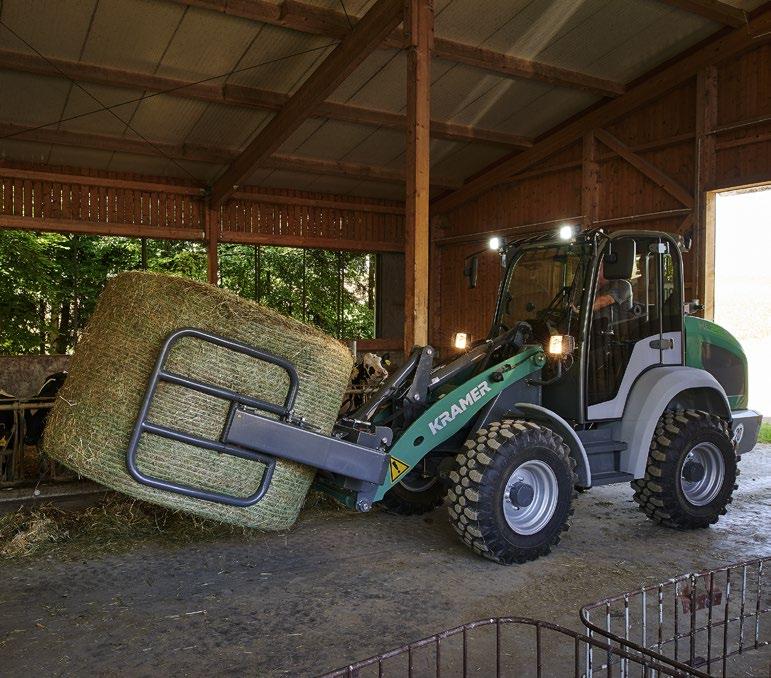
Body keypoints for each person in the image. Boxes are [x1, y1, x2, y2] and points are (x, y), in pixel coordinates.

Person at [592, 259, 633, 324]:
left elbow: (604, 301)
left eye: (598, 269)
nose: (593, 272)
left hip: (617, 332)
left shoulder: (623, 285)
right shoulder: (596, 287)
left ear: (608, 270)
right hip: (595, 328)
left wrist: (581, 310)